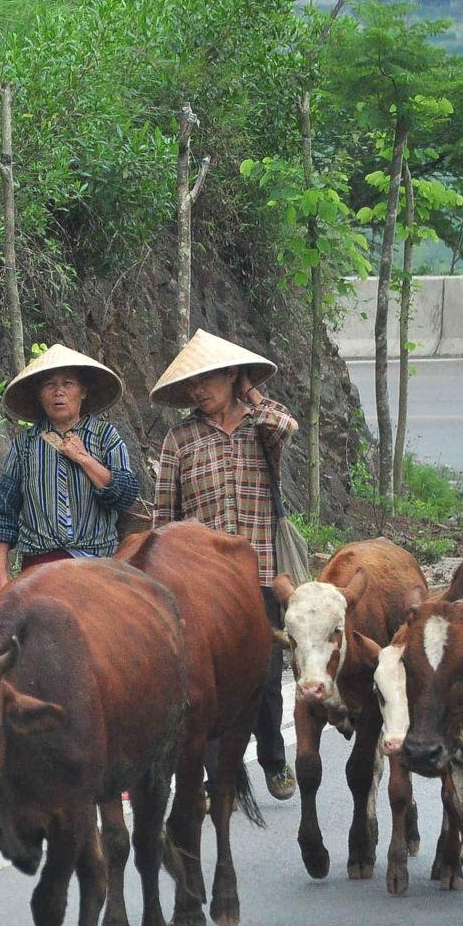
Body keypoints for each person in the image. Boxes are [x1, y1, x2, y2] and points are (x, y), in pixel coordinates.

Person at [149, 328, 300, 800]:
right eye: (192, 383)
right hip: (203, 581)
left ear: (231, 376)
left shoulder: (262, 426)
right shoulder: (180, 439)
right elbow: (164, 515)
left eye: (208, 379)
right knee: (207, 683)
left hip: (259, 571)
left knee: (266, 674)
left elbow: (288, 427)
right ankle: (221, 781)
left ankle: (274, 757)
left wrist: (250, 392)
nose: (198, 390)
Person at [0, 344, 139, 593]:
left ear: (83, 391)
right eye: (49, 385)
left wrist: (84, 458)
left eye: (68, 384)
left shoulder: (105, 436)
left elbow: (125, 495)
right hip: (40, 569)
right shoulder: (25, 445)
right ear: (39, 395)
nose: (59, 392)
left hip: (97, 566)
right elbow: (3, 510)